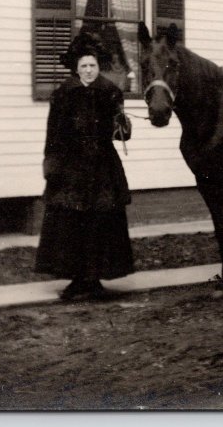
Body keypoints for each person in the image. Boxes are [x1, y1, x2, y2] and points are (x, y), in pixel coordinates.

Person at [35, 32, 134, 301]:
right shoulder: (63, 95)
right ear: (75, 69)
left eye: (92, 66)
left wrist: (123, 126)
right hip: (71, 167)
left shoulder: (110, 92)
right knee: (72, 222)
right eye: (83, 67)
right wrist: (51, 163)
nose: (89, 71)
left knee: (101, 222)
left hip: (103, 167)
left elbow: (121, 133)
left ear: (98, 66)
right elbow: (52, 134)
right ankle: (77, 279)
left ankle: (95, 278)